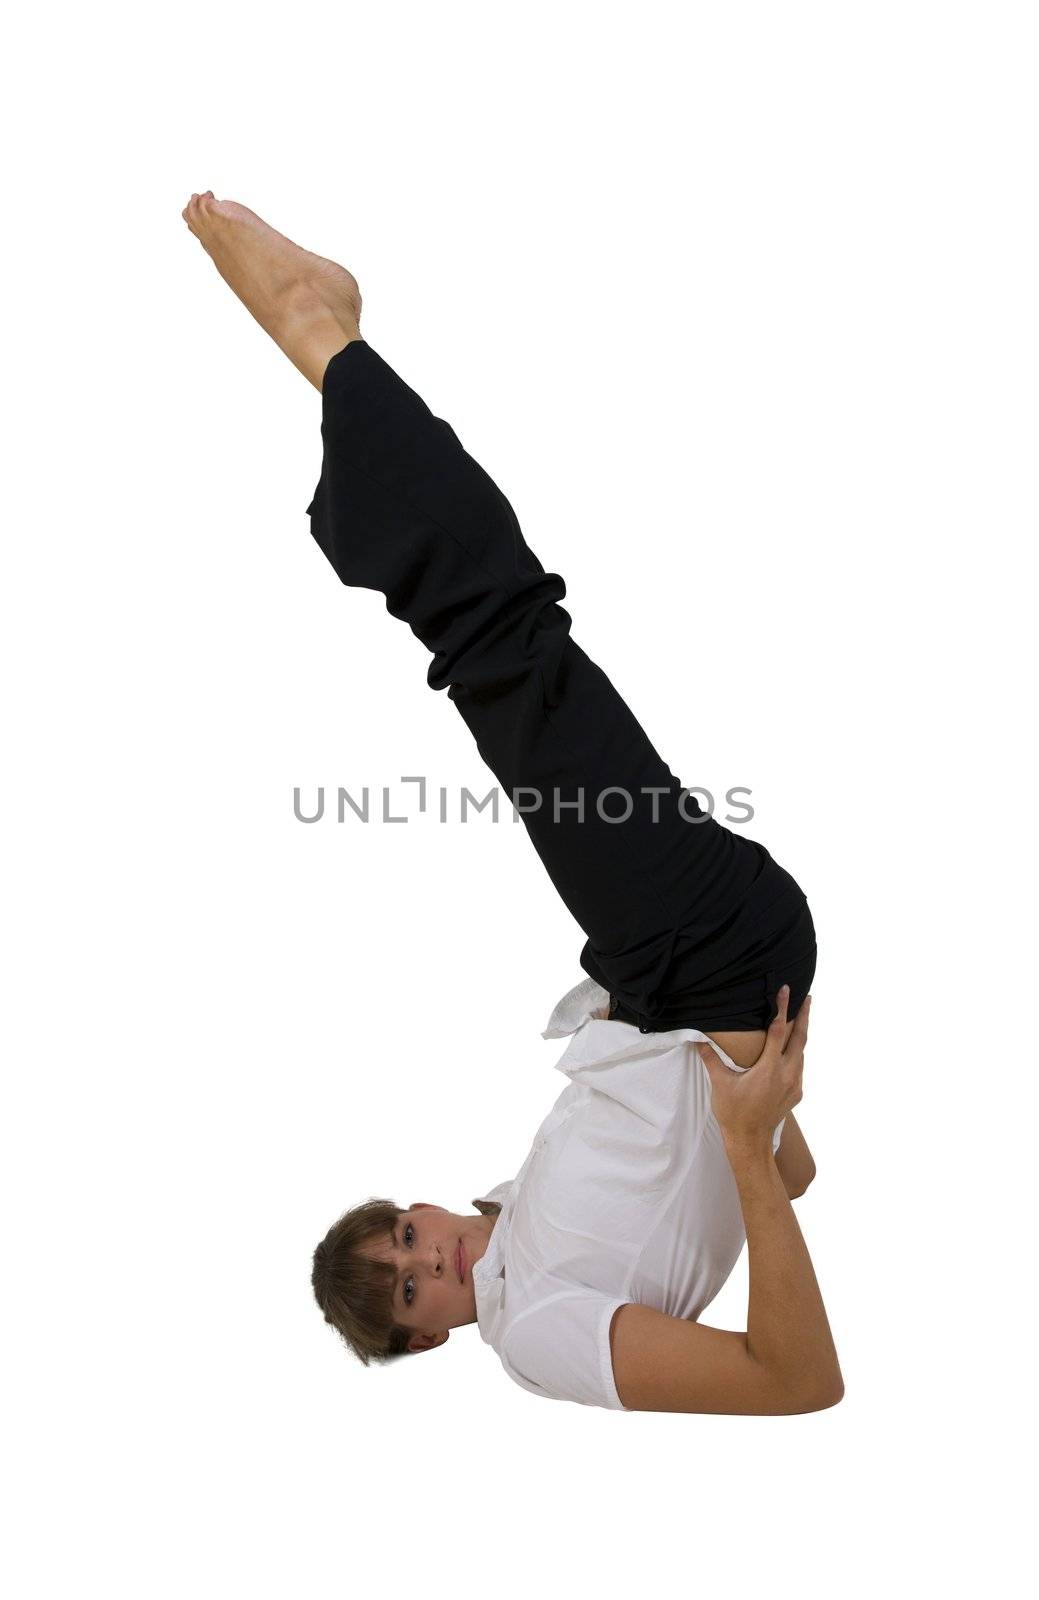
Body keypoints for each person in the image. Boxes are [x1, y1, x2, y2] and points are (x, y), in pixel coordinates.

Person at [182, 191, 844, 1415]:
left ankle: (341, 397)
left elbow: (783, 1180)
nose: (428, 1258)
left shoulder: (521, 1208)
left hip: (677, 977)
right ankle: (322, 336)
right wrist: (751, 1134)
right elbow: (797, 1382)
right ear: (429, 1338)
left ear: (416, 1205)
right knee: (499, 642)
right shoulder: (536, 1337)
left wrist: (772, 1129)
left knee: (502, 658)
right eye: (411, 1290)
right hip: (711, 966)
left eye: (402, 1236)